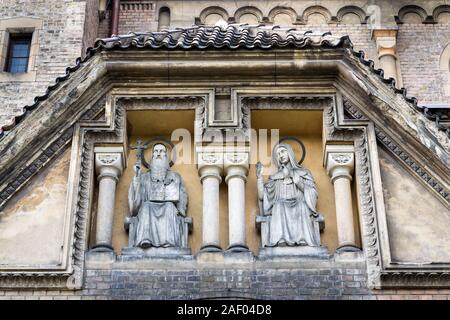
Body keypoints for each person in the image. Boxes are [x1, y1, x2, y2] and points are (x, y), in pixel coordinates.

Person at [256, 143, 321, 247]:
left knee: (302, 205)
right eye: (278, 154)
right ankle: (281, 239)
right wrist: (259, 178)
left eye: (283, 152)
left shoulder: (304, 173)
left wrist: (298, 182)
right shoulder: (274, 177)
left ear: (289, 153)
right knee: (278, 206)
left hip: (299, 203)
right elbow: (263, 197)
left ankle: (303, 239)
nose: (281, 155)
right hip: (281, 205)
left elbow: (312, 192)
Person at [128, 143, 188, 248]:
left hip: (168, 207)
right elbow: (138, 196)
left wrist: (180, 207)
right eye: (156, 151)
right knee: (146, 206)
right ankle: (145, 239)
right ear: (152, 155)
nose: (159, 154)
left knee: (169, 207)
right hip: (148, 207)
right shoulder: (144, 177)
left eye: (162, 151)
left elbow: (182, 194)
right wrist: (137, 176)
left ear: (166, 155)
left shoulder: (175, 176)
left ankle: (169, 241)